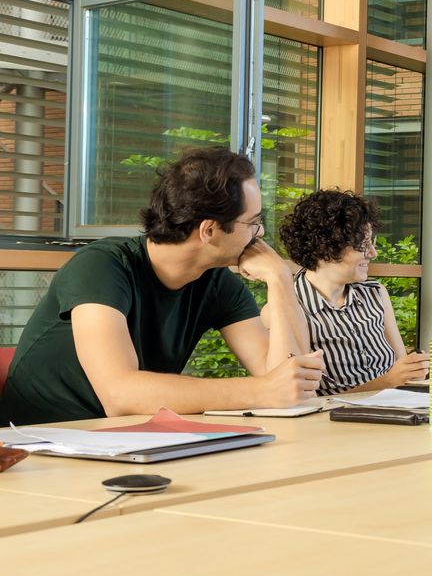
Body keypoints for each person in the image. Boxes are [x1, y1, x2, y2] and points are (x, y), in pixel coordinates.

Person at [0, 147, 324, 425]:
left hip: (127, 440)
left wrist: (280, 280)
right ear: (209, 231)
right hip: (44, 446)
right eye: (252, 223)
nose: (261, 233)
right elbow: (120, 394)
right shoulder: (101, 266)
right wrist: (262, 390)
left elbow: (288, 381)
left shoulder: (215, 281)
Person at [274, 189, 428, 394]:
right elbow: (303, 398)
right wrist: (388, 381)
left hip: (394, 410)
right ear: (326, 248)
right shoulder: (289, 306)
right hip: (332, 422)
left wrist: (416, 368)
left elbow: (402, 371)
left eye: (370, 244)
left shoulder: (376, 293)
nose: (373, 253)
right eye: (363, 246)